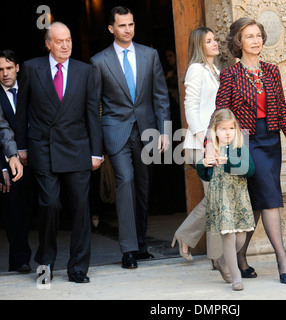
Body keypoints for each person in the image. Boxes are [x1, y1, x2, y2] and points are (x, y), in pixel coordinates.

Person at [213, 17, 286, 284]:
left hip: (270, 141)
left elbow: (282, 109)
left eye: (258, 35)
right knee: (270, 198)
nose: (255, 40)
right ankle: (282, 261)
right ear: (238, 43)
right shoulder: (230, 75)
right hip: (243, 143)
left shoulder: (272, 71)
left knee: (254, 204)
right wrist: (212, 145)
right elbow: (219, 113)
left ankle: (233, 259)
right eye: (249, 36)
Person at [15, 22, 104, 284]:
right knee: (50, 205)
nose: (65, 45)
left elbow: (92, 115)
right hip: (43, 147)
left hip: (77, 147)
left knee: (80, 208)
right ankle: (45, 262)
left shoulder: (85, 70)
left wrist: (96, 151)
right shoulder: (32, 68)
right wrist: (21, 147)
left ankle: (78, 268)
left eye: (69, 40)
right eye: (59, 41)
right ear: (48, 44)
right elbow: (22, 111)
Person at [91, 6, 170, 269]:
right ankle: (128, 250)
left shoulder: (150, 55)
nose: (128, 30)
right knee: (125, 181)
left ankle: (141, 245)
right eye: (122, 25)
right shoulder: (99, 61)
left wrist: (165, 132)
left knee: (143, 186)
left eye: (131, 25)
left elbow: (160, 96)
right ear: (111, 29)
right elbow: (95, 105)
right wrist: (97, 145)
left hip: (146, 130)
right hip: (116, 131)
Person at [171, 27, 222, 263]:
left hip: (217, 142)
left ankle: (214, 255)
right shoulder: (196, 70)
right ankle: (212, 254)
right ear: (199, 46)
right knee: (215, 198)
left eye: (214, 39)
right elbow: (190, 109)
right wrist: (206, 142)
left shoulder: (215, 70)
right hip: (201, 143)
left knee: (217, 198)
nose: (214, 43)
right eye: (208, 41)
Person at [197, 109, 255, 291]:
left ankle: (222, 261)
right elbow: (206, 176)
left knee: (240, 238)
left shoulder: (240, 147)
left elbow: (250, 170)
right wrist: (203, 165)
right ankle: (236, 276)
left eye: (231, 128)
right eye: (223, 129)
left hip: (238, 197)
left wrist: (229, 160)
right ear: (215, 131)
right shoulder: (212, 150)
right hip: (222, 198)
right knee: (228, 236)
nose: (228, 132)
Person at [0, 49, 36, 273]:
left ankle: (46, 258)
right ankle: (20, 261)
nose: (5, 73)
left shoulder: (30, 90)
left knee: (43, 208)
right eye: (0, 69)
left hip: (38, 160)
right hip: (7, 164)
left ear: (17, 68)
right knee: (15, 213)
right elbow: (2, 130)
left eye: (9, 68)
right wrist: (3, 165)